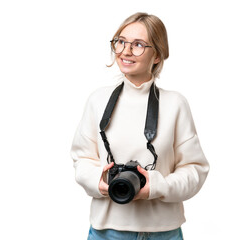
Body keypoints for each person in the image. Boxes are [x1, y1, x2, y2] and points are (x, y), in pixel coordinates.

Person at [70, 12, 210, 240]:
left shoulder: (175, 104)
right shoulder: (98, 100)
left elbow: (196, 170)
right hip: (107, 232)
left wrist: (156, 186)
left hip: (163, 233)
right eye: (121, 41)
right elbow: (81, 159)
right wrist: (101, 181)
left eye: (138, 45)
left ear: (157, 55)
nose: (125, 51)